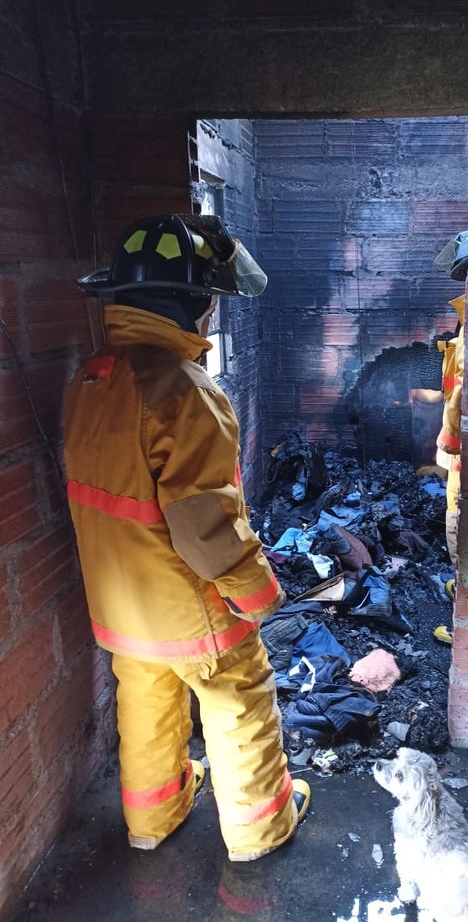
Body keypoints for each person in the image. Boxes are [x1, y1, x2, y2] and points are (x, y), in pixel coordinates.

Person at [63, 213, 310, 861]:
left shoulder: (93, 378)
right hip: (187, 605)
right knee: (239, 699)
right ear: (190, 302)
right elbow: (206, 527)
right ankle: (260, 831)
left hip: (120, 608)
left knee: (146, 701)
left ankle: (152, 819)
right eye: (208, 299)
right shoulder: (185, 392)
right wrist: (259, 595)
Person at [432, 230, 468, 644]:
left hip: (466, 452)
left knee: (460, 523)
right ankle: (464, 587)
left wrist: (449, 446)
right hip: (462, 447)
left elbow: (460, 395)